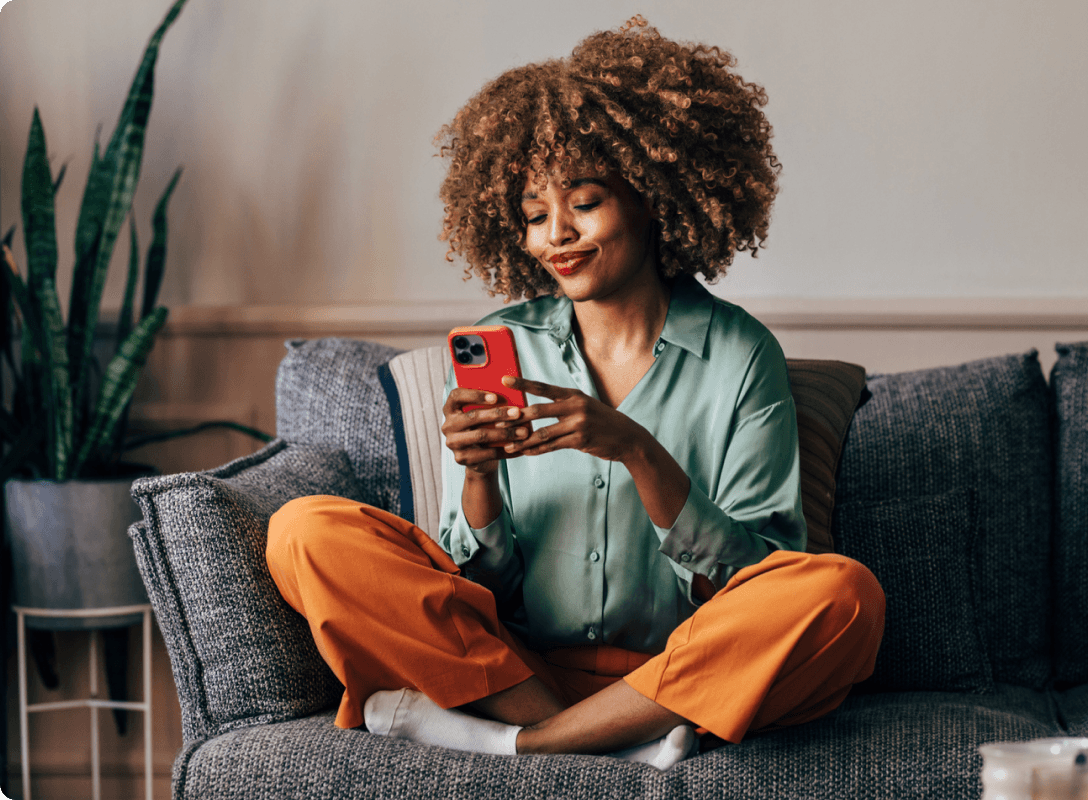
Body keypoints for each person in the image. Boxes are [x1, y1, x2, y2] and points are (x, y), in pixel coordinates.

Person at [266, 16, 885, 770]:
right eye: (533, 216)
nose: (554, 235)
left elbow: (758, 579)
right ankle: (605, 744)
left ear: (653, 198)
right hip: (516, 670)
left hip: (678, 674)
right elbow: (471, 591)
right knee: (303, 531)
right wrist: (478, 477)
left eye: (584, 203)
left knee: (842, 595)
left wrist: (634, 448)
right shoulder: (505, 344)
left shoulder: (739, 355)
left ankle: (529, 746)